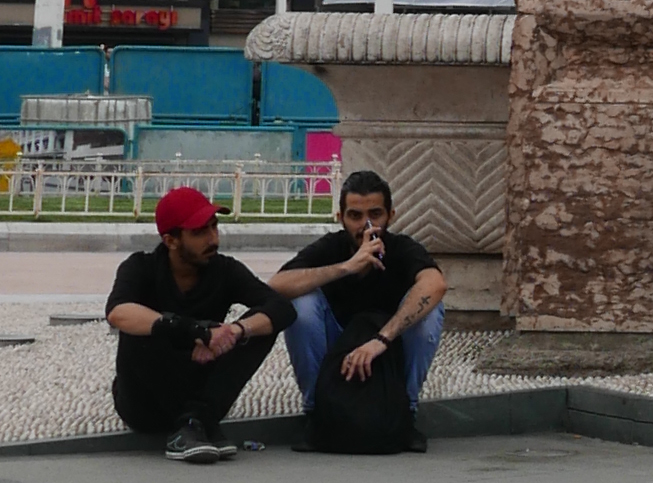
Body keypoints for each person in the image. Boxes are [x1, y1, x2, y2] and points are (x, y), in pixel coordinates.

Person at [101, 188, 291, 461]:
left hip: (201, 394)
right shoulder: (140, 267)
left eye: (214, 228)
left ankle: (195, 424)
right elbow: (117, 312)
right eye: (200, 232)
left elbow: (281, 308)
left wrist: (233, 332)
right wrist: (195, 331)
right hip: (145, 403)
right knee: (144, 324)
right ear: (171, 240)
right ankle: (191, 426)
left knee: (259, 328)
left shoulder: (224, 269)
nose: (213, 239)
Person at [274, 169, 448, 441]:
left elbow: (435, 285)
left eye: (375, 215)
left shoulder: (402, 249)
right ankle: (315, 412)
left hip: (385, 349)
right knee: (300, 304)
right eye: (355, 216)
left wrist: (382, 339)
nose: (366, 226)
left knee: (429, 312)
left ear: (391, 215)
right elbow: (276, 285)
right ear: (340, 217)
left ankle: (407, 413)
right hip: (336, 347)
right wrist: (346, 267)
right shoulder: (330, 247)